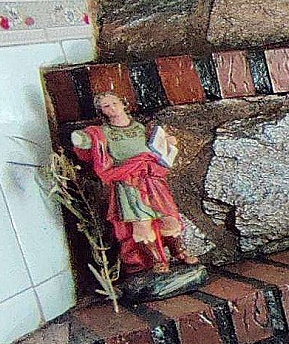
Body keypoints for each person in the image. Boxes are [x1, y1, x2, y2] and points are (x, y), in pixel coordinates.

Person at [70, 91, 198, 275]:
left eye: (114, 103)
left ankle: (179, 252)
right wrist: (82, 139)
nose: (112, 108)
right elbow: (86, 142)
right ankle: (156, 260)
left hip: (152, 179)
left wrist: (167, 142)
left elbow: (156, 146)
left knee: (169, 218)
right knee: (142, 224)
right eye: (106, 106)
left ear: (123, 103)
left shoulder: (140, 128)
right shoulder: (103, 132)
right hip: (128, 182)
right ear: (102, 111)